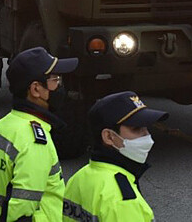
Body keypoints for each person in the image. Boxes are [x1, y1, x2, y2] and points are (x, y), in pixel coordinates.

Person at [0, 46, 78, 222]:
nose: (59, 86)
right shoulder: (34, 141)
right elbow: (22, 209)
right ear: (35, 89)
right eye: (55, 80)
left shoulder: (3, 126)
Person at [63, 91, 168, 222]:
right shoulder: (123, 202)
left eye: (146, 128)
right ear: (108, 137)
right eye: (136, 129)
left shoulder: (78, 178)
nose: (147, 136)